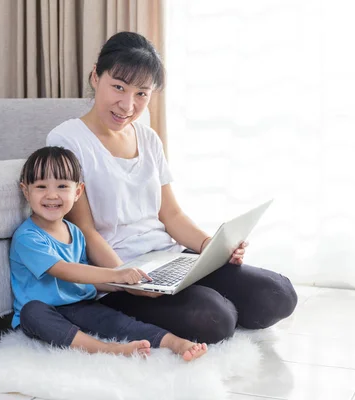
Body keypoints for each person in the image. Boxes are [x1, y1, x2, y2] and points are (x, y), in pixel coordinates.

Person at [46, 31, 298, 345]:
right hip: (118, 274)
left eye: (142, 94)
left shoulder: (148, 137)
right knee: (216, 319)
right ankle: (190, 301)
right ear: (95, 77)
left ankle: (196, 291)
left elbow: (172, 215)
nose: (127, 105)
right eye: (119, 87)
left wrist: (212, 248)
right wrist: (126, 279)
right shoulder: (67, 139)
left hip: (169, 258)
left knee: (280, 295)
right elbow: (84, 230)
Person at [9, 146, 208, 361]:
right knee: (32, 313)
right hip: (44, 311)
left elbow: (87, 280)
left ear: (77, 192)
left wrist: (123, 285)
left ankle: (174, 342)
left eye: (62, 186)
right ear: (26, 191)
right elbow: (65, 270)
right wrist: (115, 274)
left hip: (79, 306)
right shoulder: (27, 237)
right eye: (41, 187)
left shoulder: (74, 231)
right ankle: (104, 349)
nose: (52, 195)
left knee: (117, 320)